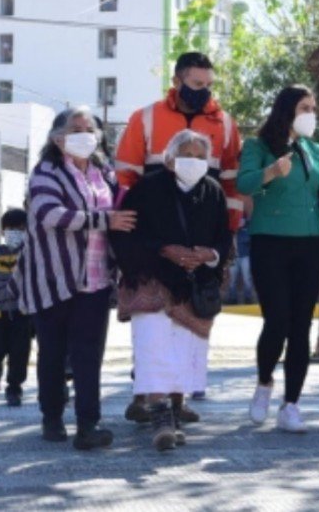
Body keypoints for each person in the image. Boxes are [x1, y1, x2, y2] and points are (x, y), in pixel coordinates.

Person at [114, 51, 242, 421]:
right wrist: (134, 243)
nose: (204, 92)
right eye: (196, 84)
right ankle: (145, 398)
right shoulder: (146, 118)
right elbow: (126, 178)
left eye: (209, 85)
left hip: (203, 230)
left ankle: (177, 401)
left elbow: (230, 183)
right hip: (154, 232)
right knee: (152, 321)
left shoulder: (225, 124)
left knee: (190, 321)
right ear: (178, 81)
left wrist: (220, 248)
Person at [16, 107, 135, 451]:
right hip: (53, 278)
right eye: (75, 128)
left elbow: (122, 213)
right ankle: (51, 417)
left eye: (90, 129)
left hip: (96, 281)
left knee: (89, 356)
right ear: (58, 138)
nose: (85, 134)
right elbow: (50, 213)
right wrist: (105, 220)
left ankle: (88, 424)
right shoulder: (45, 172)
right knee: (52, 353)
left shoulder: (104, 174)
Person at [112, 129, 232, 451]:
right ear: (168, 159)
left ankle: (175, 410)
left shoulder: (214, 192)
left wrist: (209, 255)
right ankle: (160, 415)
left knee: (184, 350)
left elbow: (224, 236)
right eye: (186, 154)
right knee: (153, 345)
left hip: (193, 284)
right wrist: (164, 249)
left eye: (199, 156)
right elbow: (127, 234)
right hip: (151, 277)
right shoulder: (146, 190)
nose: (193, 161)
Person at [237, 85, 319, 433]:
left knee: (301, 325)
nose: (311, 114)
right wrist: (271, 172)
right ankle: (264, 384)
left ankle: (291, 404)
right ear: (287, 110)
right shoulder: (258, 146)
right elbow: (244, 184)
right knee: (277, 320)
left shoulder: (315, 150)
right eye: (305, 107)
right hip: (270, 242)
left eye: (313, 108)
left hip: (311, 243)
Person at [0, 208, 32, 405]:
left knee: (20, 352)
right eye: (11, 228)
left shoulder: (31, 254)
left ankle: (14, 387)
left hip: (22, 312)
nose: (15, 233)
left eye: (21, 229)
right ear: (2, 231)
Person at [225, 197, 255, 305]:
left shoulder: (248, 224)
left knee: (247, 278)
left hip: (245, 254)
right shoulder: (230, 224)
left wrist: (244, 225)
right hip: (234, 255)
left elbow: (252, 238)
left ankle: (249, 298)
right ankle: (232, 298)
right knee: (232, 278)